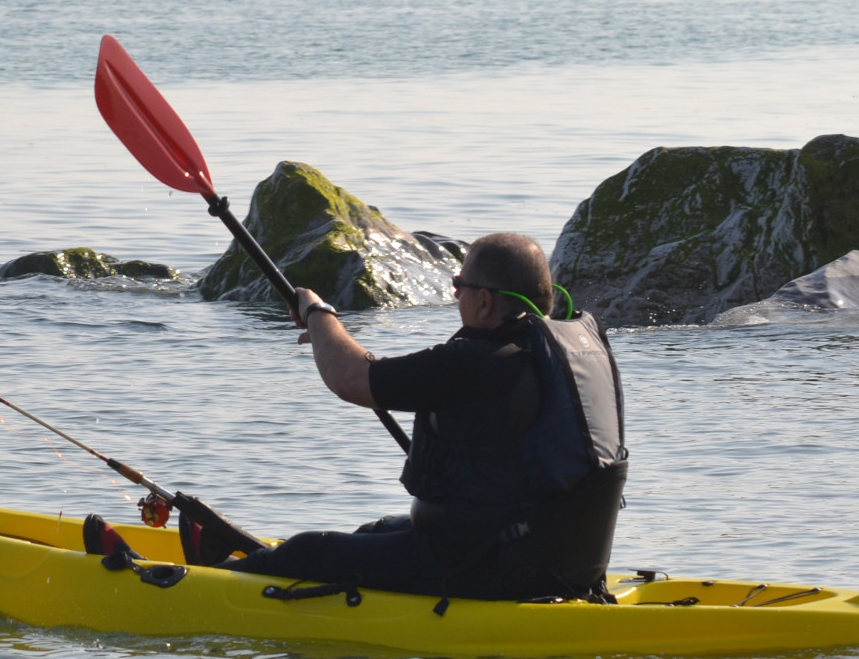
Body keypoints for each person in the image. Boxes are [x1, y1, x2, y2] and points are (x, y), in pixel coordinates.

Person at [232, 232, 629, 602]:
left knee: (307, 550)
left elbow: (351, 378)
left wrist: (318, 312)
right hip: (558, 560)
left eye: (459, 286)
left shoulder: (481, 361)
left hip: (487, 569)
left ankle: (217, 581)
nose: (456, 296)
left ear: (485, 301)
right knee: (376, 532)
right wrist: (326, 338)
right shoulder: (570, 352)